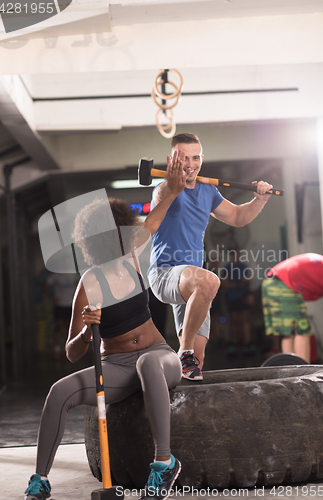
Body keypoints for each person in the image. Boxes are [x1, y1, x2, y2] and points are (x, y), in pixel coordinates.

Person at [24, 164, 186, 500]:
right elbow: (71, 352)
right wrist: (87, 331)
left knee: (148, 364)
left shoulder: (134, 257)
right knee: (58, 392)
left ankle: (164, 463)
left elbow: (157, 214)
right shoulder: (89, 284)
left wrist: (173, 185)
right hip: (115, 366)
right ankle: (40, 479)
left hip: (158, 357)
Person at [149, 132, 273, 380]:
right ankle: (183, 352)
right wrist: (174, 189)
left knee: (198, 360)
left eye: (196, 158)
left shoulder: (208, 191)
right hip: (165, 274)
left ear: (202, 159)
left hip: (194, 285)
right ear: (171, 159)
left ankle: (177, 394)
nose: (190, 164)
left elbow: (237, 217)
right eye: (184, 158)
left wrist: (260, 200)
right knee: (210, 280)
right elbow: (153, 219)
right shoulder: (163, 189)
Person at [262, 253, 323, 364]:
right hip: (283, 283)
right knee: (303, 329)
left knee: (289, 333)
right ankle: (303, 374)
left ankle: (291, 371)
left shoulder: (322, 264)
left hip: (272, 281)